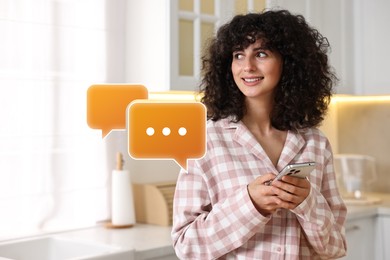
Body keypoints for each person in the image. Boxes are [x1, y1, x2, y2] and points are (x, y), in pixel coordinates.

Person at [171, 9, 347, 259]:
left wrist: (307, 202)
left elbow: (335, 247)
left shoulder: (315, 143)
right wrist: (250, 204)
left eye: (261, 53)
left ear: (289, 61)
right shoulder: (204, 141)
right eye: (238, 55)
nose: (247, 67)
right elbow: (186, 246)